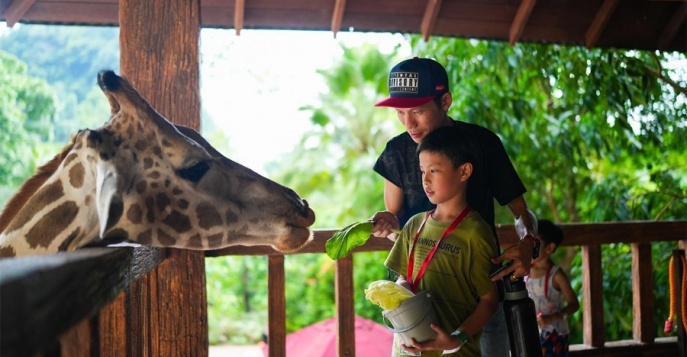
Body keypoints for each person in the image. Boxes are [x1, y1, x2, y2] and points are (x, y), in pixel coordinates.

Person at [370, 57, 539, 357]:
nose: (409, 124)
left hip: (480, 296)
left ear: (445, 100)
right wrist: (387, 223)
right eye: (400, 113)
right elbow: (397, 228)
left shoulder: (483, 143)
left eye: (418, 111)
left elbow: (521, 212)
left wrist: (529, 243)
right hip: (415, 303)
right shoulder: (396, 151)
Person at [384, 125, 499, 356]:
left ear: (464, 171)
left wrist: (457, 338)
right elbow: (403, 278)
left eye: (434, 171)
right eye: (422, 171)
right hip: (406, 351)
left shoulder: (476, 233)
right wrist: (402, 291)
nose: (425, 180)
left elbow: (489, 301)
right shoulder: (415, 224)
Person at [525, 220, 579, 357]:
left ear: (549, 248)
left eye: (535, 245)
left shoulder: (557, 275)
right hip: (531, 334)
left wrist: (553, 317)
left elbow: (574, 304)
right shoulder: (524, 271)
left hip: (554, 337)